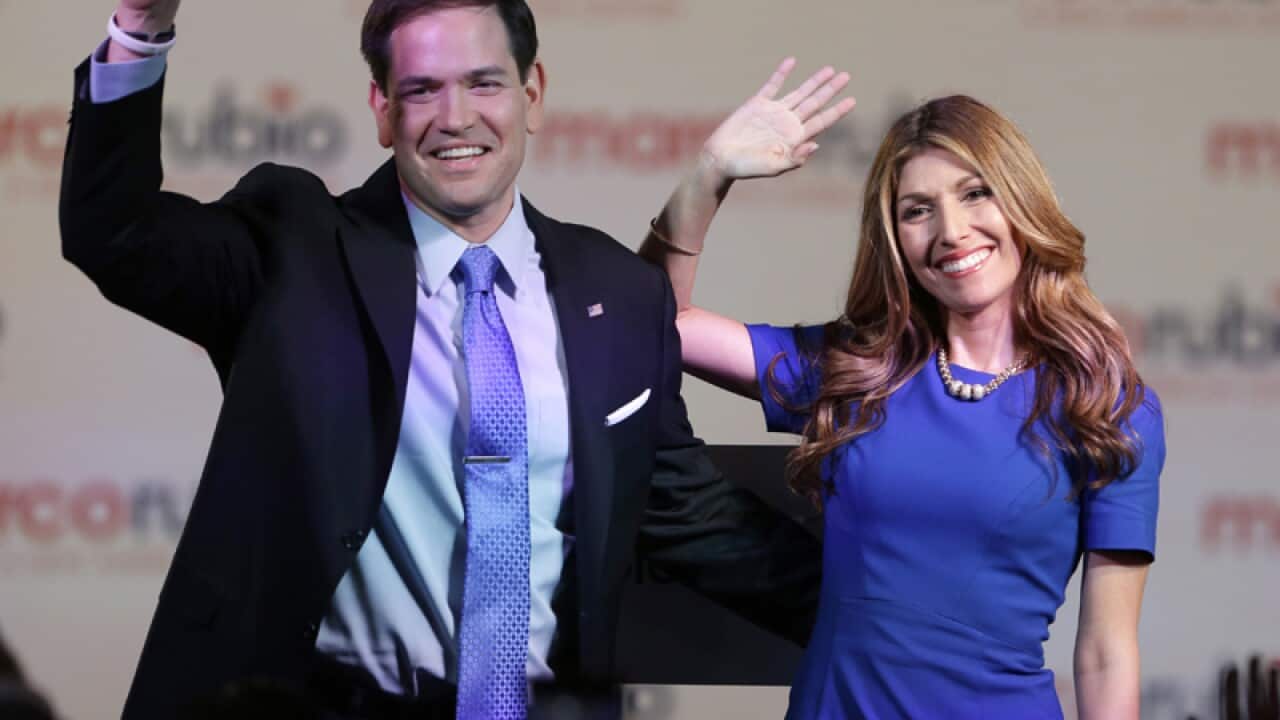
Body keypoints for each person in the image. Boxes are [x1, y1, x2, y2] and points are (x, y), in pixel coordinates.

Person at [59, 3, 836, 718]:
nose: (455, 117)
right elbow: (114, 235)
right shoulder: (292, 247)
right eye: (422, 89)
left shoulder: (618, 290)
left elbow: (692, 516)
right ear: (382, 111)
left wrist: (904, 603)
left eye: (484, 83)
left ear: (532, 94)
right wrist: (140, 27)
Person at [640, 60, 1166, 719]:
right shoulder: (857, 369)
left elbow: (1106, 653)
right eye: (919, 210)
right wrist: (708, 175)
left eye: (975, 194)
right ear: (895, 239)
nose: (952, 231)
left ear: (1021, 201)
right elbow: (660, 325)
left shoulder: (1107, 407)